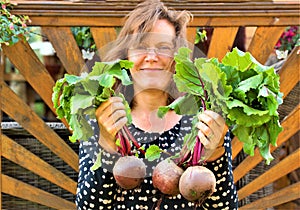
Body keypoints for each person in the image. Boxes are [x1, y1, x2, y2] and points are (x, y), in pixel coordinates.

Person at [75, 0, 238, 209]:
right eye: (141, 46)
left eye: (163, 47)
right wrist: (107, 145)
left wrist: (215, 154)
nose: (151, 57)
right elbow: (88, 207)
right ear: (125, 56)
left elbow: (225, 208)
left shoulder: (202, 121)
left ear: (177, 58)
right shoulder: (100, 119)